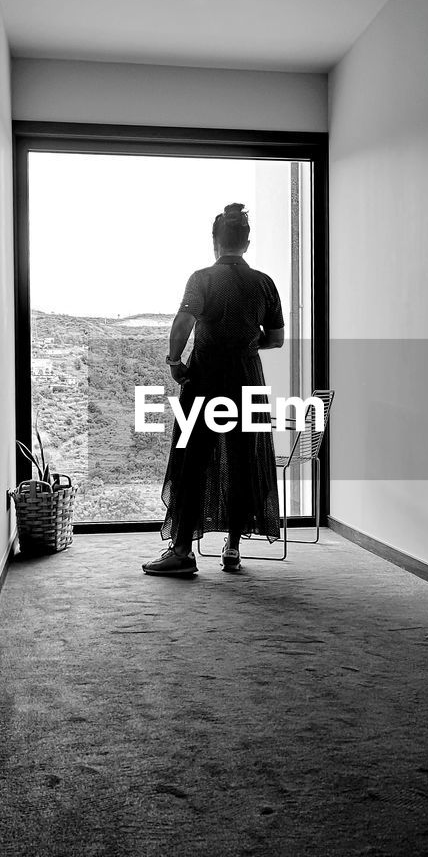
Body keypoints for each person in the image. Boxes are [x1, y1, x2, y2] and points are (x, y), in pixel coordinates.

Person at [141, 203, 285, 577]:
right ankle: (233, 548)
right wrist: (247, 344)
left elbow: (183, 321)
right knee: (243, 460)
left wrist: (175, 362)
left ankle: (182, 551)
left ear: (214, 241)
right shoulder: (265, 283)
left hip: (205, 377)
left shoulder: (202, 278)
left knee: (192, 459)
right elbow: (277, 339)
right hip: (247, 378)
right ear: (247, 242)